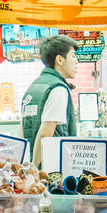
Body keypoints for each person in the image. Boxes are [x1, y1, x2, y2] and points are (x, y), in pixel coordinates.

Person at [21, 33, 78, 161]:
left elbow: (22, 130)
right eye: (73, 56)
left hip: (29, 163)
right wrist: (34, 170)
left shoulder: (33, 87)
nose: (76, 61)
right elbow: (45, 135)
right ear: (59, 60)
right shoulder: (58, 89)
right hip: (49, 169)